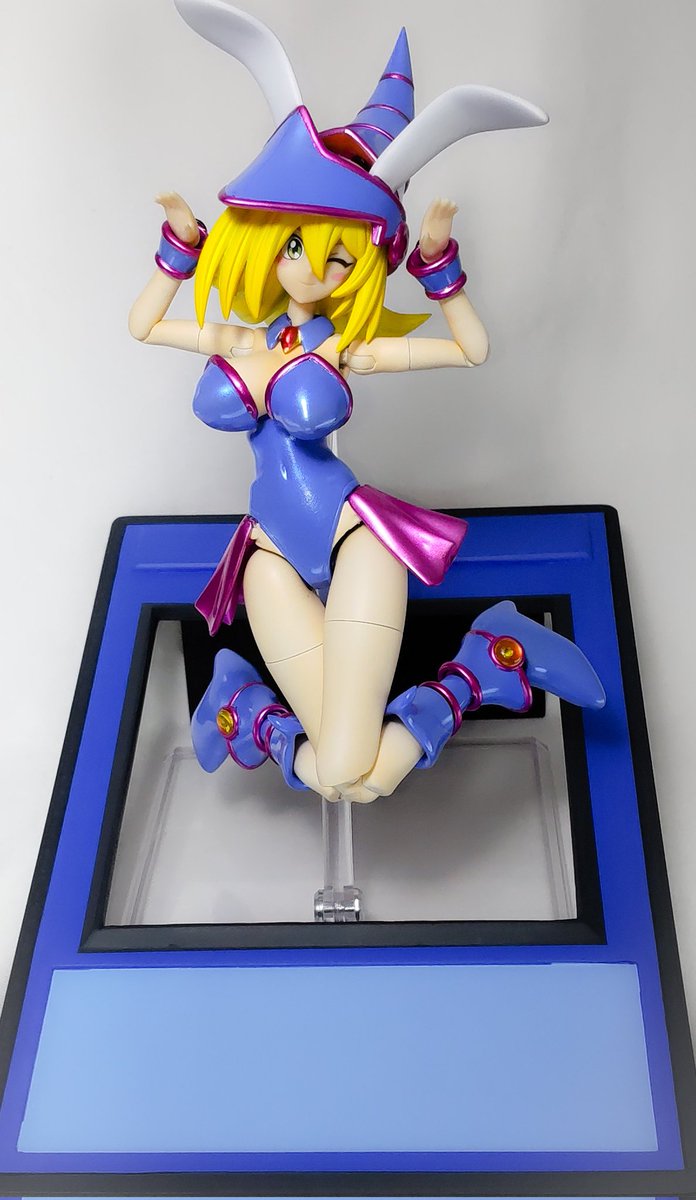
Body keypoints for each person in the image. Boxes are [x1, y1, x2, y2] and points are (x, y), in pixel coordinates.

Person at [129, 0, 604, 804]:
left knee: (356, 769)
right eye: (295, 244)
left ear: (363, 266)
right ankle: (473, 670)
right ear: (265, 235)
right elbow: (143, 326)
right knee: (346, 778)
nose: (312, 269)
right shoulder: (238, 339)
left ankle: (262, 713)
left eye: (340, 256)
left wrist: (439, 267)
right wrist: (181, 244)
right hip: (267, 553)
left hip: (356, 539)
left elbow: (470, 350)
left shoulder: (345, 349)